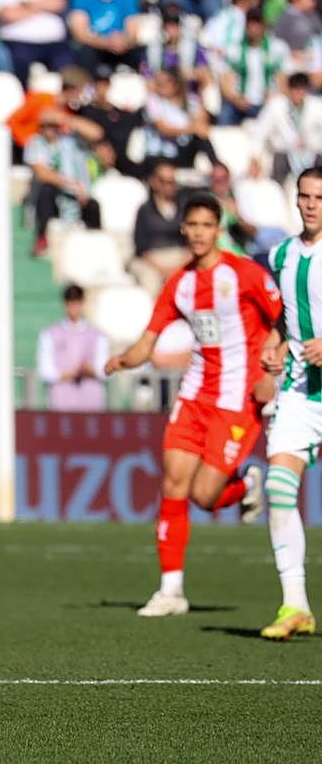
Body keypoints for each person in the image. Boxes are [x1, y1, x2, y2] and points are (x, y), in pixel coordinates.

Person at [105, 195, 280, 617]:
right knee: (173, 484)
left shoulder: (245, 274)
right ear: (184, 228)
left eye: (207, 224)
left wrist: (270, 372)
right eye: (193, 224)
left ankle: (245, 483)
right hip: (194, 395)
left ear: (218, 229)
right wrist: (125, 359)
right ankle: (171, 590)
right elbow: (150, 339)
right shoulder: (179, 284)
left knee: (205, 494)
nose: (200, 232)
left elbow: (283, 319)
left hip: (237, 401)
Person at [255, 167, 322, 640]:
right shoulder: (280, 254)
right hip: (300, 389)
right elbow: (281, 319)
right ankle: (294, 603)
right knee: (279, 486)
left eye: (319, 196)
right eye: (305, 196)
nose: (311, 204)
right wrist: (273, 346)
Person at [23, 108, 101, 256]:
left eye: (53, 125)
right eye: (45, 125)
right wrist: (71, 185)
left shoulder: (72, 140)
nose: (49, 129)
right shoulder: (35, 142)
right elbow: (42, 173)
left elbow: (96, 133)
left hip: (77, 198)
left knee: (93, 206)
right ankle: (42, 237)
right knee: (47, 190)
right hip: (55, 197)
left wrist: (65, 118)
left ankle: (97, 246)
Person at [36, 284, 107, 411]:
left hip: (91, 404)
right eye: (70, 303)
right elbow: (45, 371)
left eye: (77, 302)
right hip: (61, 403)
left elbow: (106, 370)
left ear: (82, 303)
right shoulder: (50, 334)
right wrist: (68, 374)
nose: (74, 307)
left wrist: (90, 370)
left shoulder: (98, 336)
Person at [219, 9, 291, 126]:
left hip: (267, 102)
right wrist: (236, 99)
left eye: (257, 24)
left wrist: (275, 95)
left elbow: (283, 80)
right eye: (251, 24)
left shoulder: (277, 48)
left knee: (279, 109)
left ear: (264, 26)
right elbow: (226, 81)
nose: (254, 29)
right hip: (240, 102)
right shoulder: (234, 50)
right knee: (225, 113)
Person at [130, 159, 190, 295]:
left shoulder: (184, 208)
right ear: (153, 181)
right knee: (150, 281)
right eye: (164, 181)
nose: (169, 186)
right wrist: (162, 269)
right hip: (152, 260)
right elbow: (141, 247)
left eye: (172, 181)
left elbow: (190, 242)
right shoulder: (144, 211)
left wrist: (178, 266)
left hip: (180, 257)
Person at [250, 72, 322, 183]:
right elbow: (260, 132)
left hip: (312, 152)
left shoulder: (317, 105)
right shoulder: (275, 105)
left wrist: (310, 143)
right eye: (295, 89)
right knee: (279, 165)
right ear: (289, 90)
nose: (298, 93)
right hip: (284, 153)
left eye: (301, 89)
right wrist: (255, 157)